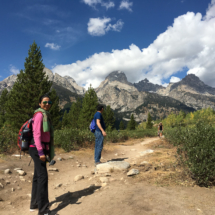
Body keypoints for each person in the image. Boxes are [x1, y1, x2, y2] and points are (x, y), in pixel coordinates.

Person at [29, 94, 54, 215]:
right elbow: (37, 134)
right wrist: (40, 152)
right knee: (43, 177)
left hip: (37, 148)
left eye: (49, 102)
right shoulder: (39, 115)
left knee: (37, 177)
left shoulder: (44, 115)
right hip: (37, 149)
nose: (47, 104)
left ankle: (34, 204)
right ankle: (43, 210)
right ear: (40, 103)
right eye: (45, 102)